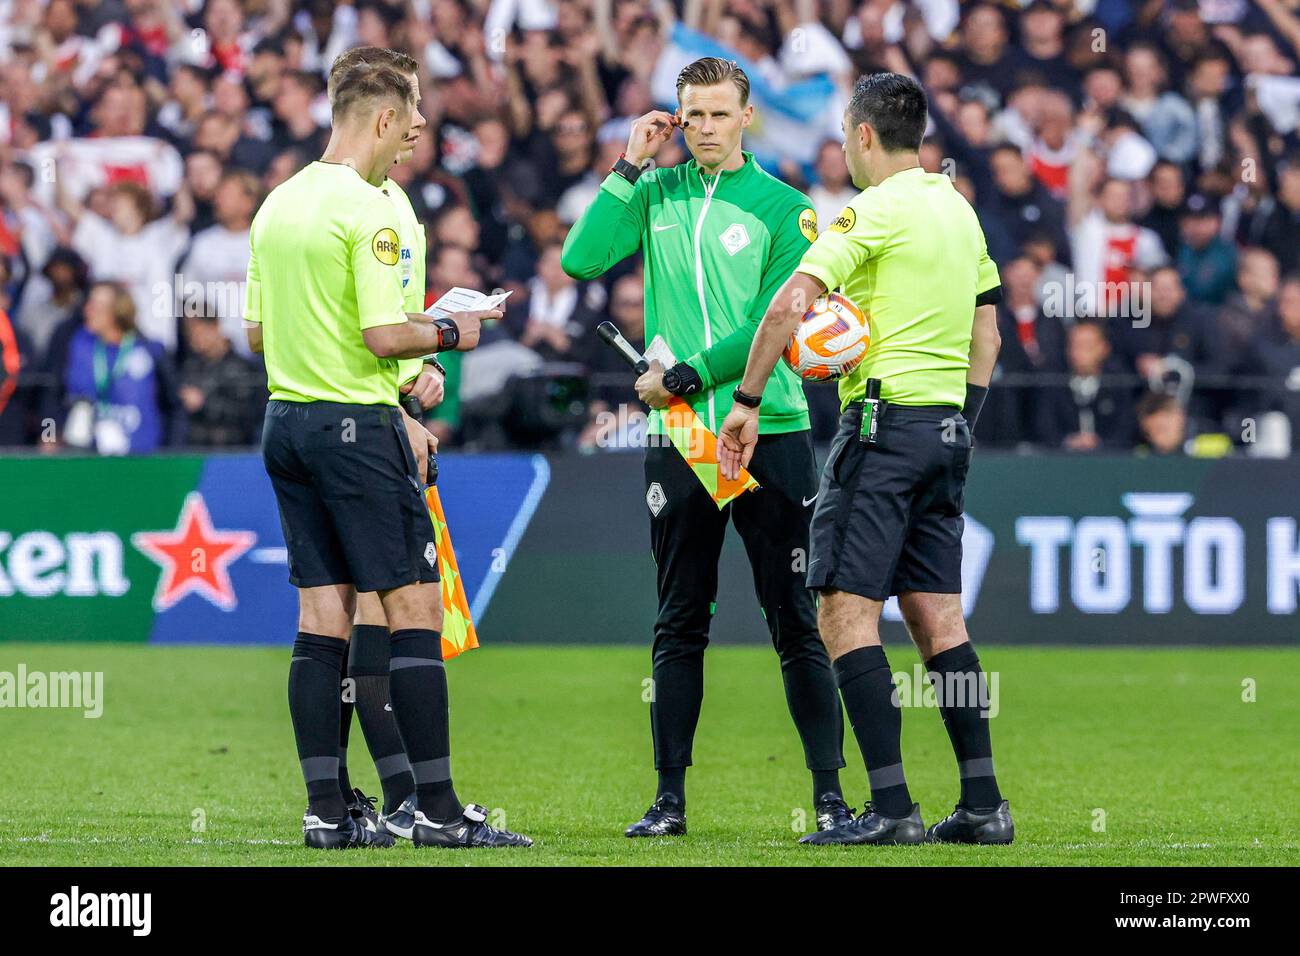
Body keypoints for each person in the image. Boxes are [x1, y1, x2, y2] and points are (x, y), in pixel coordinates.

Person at [719, 72, 1012, 846]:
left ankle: (890, 809)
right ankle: (984, 805)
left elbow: (790, 303)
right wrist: (960, 423)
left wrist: (745, 402)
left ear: (864, 135)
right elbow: (990, 338)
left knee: (843, 612)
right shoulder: (958, 207)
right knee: (937, 615)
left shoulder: (873, 209)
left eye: (848, 136)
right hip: (944, 431)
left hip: (881, 428)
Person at [247, 51, 529, 850]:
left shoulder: (278, 204)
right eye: (412, 115)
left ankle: (328, 814)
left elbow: (258, 332)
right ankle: (436, 812)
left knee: (320, 616)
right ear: (380, 117)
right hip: (353, 426)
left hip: (287, 422)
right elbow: (380, 333)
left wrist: (401, 354)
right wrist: (451, 331)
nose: (418, 130)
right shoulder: (370, 209)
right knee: (414, 607)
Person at [562, 56, 849, 839]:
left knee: (794, 616)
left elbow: (775, 319)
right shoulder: (655, 192)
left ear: (746, 116)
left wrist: (687, 376)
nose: (707, 129)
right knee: (680, 617)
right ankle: (668, 801)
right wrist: (627, 163)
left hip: (770, 429)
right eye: (693, 116)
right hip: (681, 438)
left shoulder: (786, 209)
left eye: (721, 114)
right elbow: (579, 259)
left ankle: (829, 799)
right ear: (676, 120)